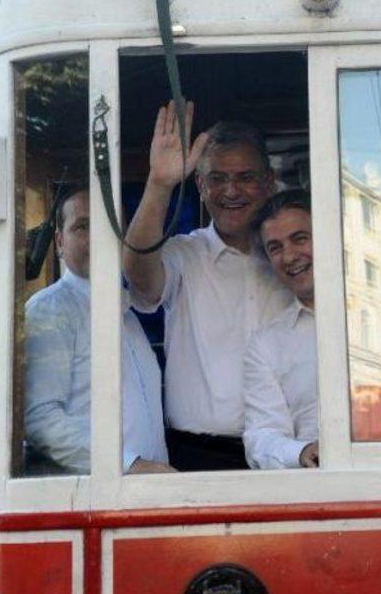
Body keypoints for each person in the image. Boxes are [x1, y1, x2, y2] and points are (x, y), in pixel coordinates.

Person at [123, 101, 290, 471]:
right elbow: (138, 272)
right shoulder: (185, 254)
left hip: (287, 455)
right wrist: (160, 183)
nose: (231, 191)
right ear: (200, 185)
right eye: (217, 178)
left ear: (268, 184)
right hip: (197, 458)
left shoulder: (292, 262)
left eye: (246, 177)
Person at [25, 187, 173, 475]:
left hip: (143, 494)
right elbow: (40, 419)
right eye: (83, 226)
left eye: (110, 224)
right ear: (59, 242)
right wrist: (129, 465)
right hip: (93, 500)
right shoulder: (52, 310)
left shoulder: (126, 311)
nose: (98, 236)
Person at [243, 189, 318, 469]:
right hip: (321, 490)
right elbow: (261, 437)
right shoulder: (267, 344)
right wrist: (301, 452)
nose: (289, 257)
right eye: (275, 247)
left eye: (300, 239)